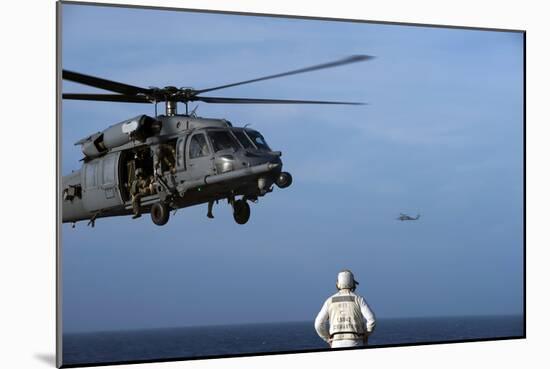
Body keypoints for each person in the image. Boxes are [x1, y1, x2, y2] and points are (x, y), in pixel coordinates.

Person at [314, 270, 376, 348]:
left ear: (338, 284)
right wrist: (366, 334)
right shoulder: (359, 299)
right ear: (353, 284)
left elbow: (318, 324)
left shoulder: (329, 301)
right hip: (356, 342)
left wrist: (327, 338)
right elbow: (372, 320)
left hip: (336, 343)